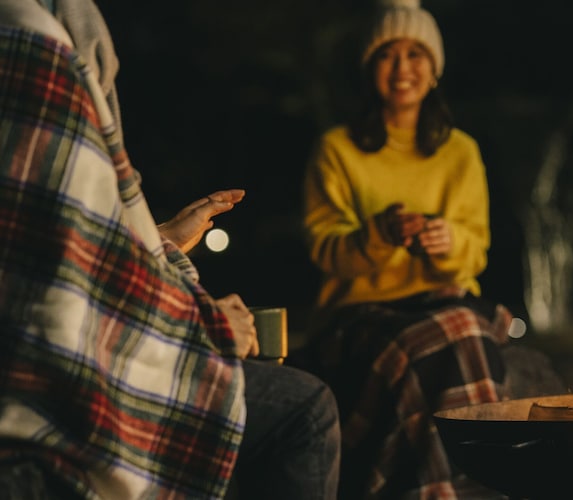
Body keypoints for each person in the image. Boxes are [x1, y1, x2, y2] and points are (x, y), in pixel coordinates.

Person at [0, 0, 339, 498]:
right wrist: (209, 325)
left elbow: (69, 243)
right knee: (304, 410)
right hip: (41, 387)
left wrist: (163, 239)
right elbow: (61, 294)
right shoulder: (35, 47)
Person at [288, 0, 512, 498]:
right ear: (370, 70)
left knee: (460, 325)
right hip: (360, 314)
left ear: (434, 69)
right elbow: (326, 251)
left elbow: (475, 253)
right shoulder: (337, 149)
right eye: (388, 55)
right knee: (454, 334)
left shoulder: (460, 151)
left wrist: (448, 240)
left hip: (443, 302)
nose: (403, 68)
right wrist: (380, 234)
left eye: (416, 54)